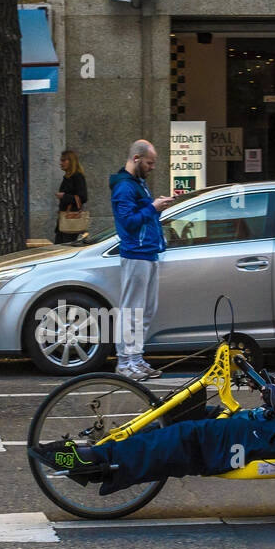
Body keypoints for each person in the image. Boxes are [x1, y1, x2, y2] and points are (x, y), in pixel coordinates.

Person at [34, 284, 275, 495]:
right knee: (181, 415)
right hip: (271, 423)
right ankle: (110, 451)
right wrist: (272, 386)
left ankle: (94, 463)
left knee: (187, 438)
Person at [111, 139, 175, 380]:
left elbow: (135, 215)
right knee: (133, 311)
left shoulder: (135, 184)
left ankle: (135, 359)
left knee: (145, 310)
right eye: (149, 162)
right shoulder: (125, 187)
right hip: (136, 253)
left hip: (146, 252)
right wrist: (153, 207)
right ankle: (125, 362)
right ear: (136, 158)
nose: (152, 167)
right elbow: (128, 222)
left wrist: (153, 205)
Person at [55, 150, 90, 244]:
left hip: (71, 222)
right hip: (65, 221)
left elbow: (83, 197)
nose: (60, 163)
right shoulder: (68, 177)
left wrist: (64, 196)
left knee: (65, 249)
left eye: (63, 160)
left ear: (71, 161)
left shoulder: (77, 176)